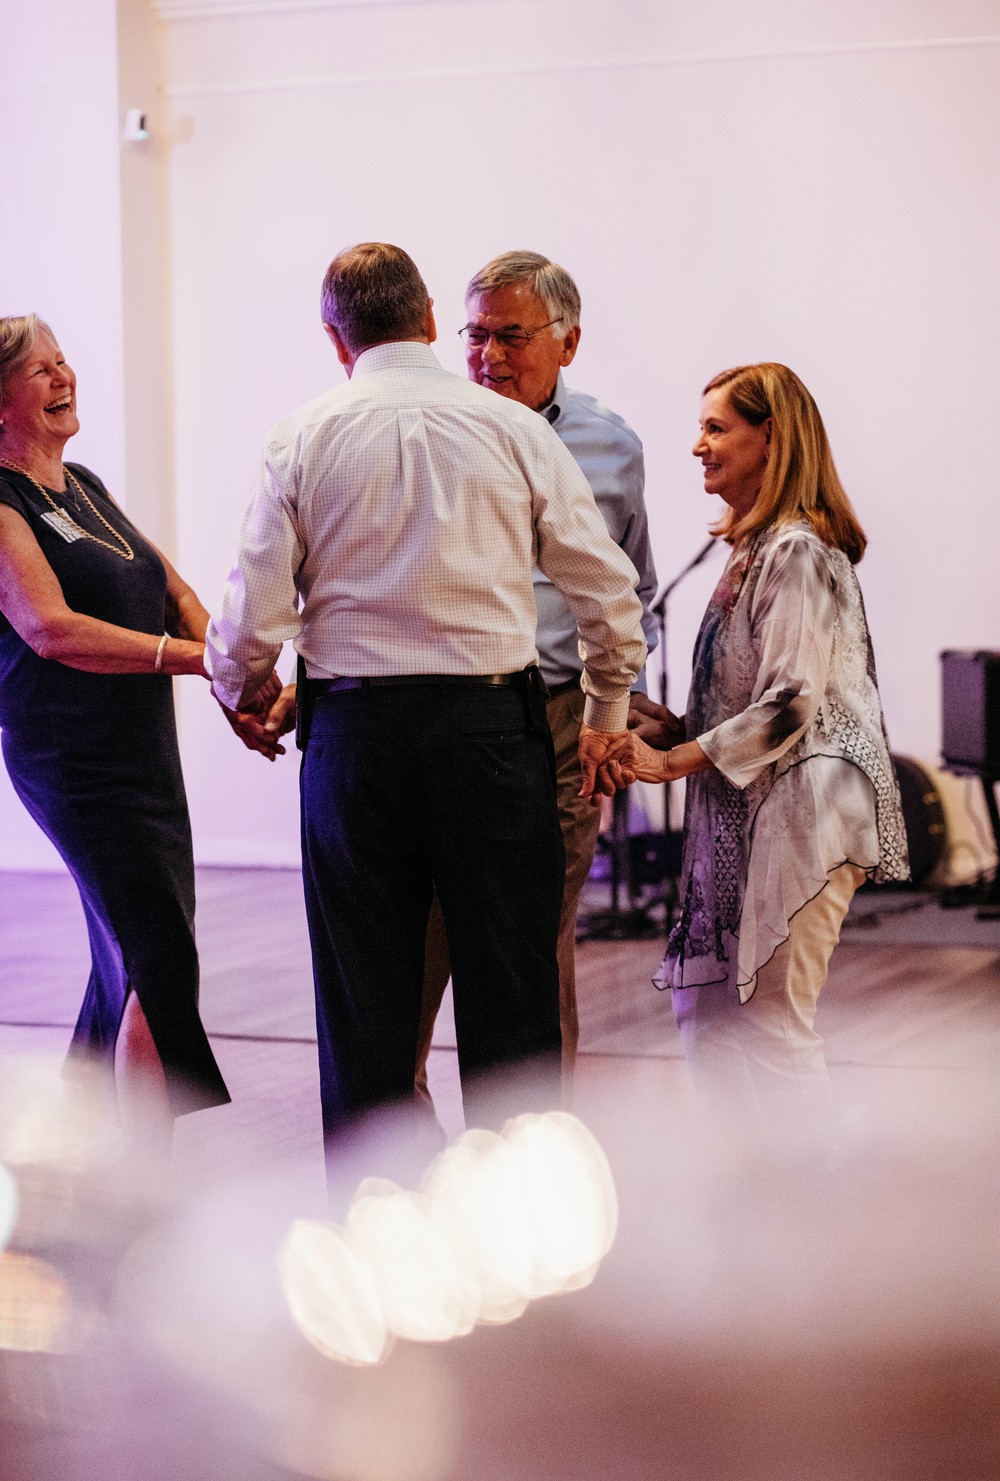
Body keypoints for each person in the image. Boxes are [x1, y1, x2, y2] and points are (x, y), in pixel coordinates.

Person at [205, 244, 645, 1154]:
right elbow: (609, 595)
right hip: (493, 735)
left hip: (355, 740)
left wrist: (238, 686)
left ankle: (377, 1217)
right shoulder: (515, 431)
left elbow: (255, 612)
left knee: (366, 1001)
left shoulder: (301, 436)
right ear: (435, 320)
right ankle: (522, 1219)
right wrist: (606, 718)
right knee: (513, 996)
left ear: (336, 338)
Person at [622, 362, 908, 1119]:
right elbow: (751, 698)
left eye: (716, 428)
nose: (698, 446)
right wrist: (672, 726)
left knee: (771, 1022)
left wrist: (672, 761)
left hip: (806, 814)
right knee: (706, 1015)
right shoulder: (753, 550)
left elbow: (789, 704)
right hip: (753, 809)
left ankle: (812, 1187)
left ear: (771, 438)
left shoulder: (798, 552)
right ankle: (740, 1180)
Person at [413, 250, 661, 1091]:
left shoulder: (611, 445)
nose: (488, 356)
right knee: (424, 928)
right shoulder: (429, 428)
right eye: (475, 335)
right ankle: (400, 1126)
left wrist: (615, 706)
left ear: (568, 342)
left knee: (538, 935)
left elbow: (634, 585)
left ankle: (535, 1132)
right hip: (450, 712)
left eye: (511, 336)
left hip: (561, 723)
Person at [0, 315, 233, 1139]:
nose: (64, 377)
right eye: (40, 370)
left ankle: (82, 1158)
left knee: (129, 958)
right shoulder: (2, 501)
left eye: (63, 362)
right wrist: (197, 661)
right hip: (73, 759)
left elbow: (171, 588)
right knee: (154, 958)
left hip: (144, 754)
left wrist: (233, 671)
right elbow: (49, 629)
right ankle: (140, 1178)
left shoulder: (84, 484)